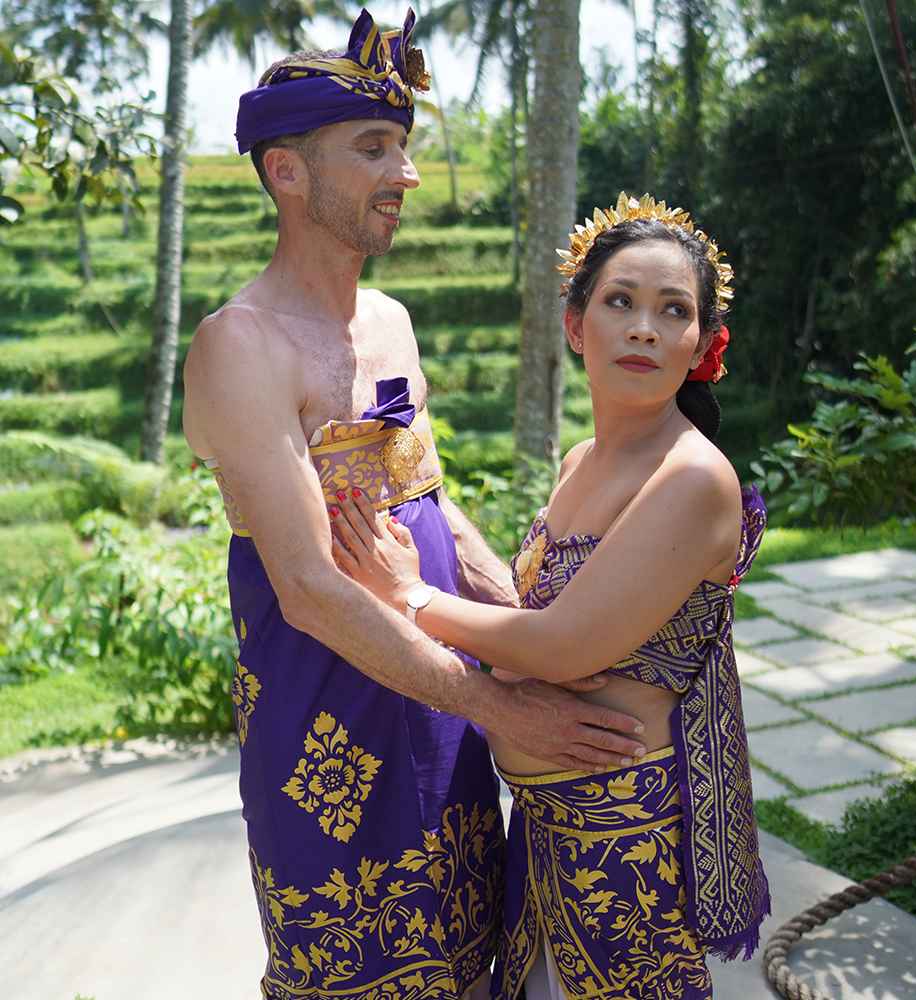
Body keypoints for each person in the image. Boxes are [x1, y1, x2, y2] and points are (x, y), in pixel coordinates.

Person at [181, 11, 647, 1000]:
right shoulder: (240, 347)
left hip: (438, 701)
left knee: (475, 956)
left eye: (404, 147)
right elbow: (306, 587)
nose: (407, 175)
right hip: (326, 728)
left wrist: (537, 636)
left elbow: (436, 508)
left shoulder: (390, 320)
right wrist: (492, 696)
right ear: (287, 173)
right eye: (374, 149)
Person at [328, 193, 772, 1000]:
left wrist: (410, 594)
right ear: (577, 326)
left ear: (702, 344)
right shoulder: (580, 461)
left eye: (673, 311)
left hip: (626, 836)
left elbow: (565, 644)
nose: (644, 327)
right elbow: (532, 604)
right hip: (544, 824)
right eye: (620, 302)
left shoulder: (694, 478)